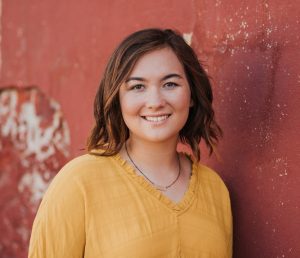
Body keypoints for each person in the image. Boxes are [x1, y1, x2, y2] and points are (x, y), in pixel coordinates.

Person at [29, 28, 232, 258]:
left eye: (170, 84)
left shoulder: (215, 190)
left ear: (192, 95)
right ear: (118, 99)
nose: (155, 102)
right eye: (137, 87)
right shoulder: (79, 182)